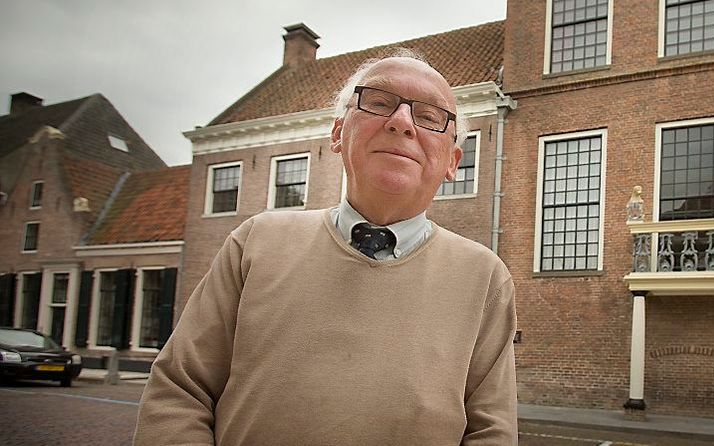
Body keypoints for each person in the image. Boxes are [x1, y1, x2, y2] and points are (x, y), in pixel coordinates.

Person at [134, 52, 518, 446]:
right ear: (338, 134)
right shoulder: (255, 243)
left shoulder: (484, 278)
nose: (401, 122)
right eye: (379, 102)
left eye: (430, 117)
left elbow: (491, 432)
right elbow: (179, 391)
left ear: (453, 161)